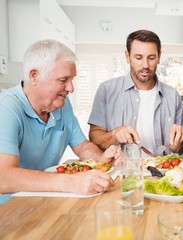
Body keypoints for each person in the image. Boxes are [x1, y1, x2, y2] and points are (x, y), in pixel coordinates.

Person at [0, 39, 121, 198]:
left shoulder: (62, 105)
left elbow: (83, 147)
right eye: (63, 80)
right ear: (34, 76)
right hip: (10, 209)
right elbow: (3, 178)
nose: (71, 88)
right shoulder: (7, 108)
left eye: (72, 80)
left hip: (45, 199)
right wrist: (70, 182)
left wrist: (102, 159)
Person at [88, 29, 183, 156]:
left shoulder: (172, 95)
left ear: (159, 57)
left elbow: (182, 147)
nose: (145, 65)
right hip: (120, 170)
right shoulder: (107, 90)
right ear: (127, 56)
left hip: (162, 172)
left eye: (151, 58)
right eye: (138, 57)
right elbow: (94, 137)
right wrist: (114, 135)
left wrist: (178, 144)